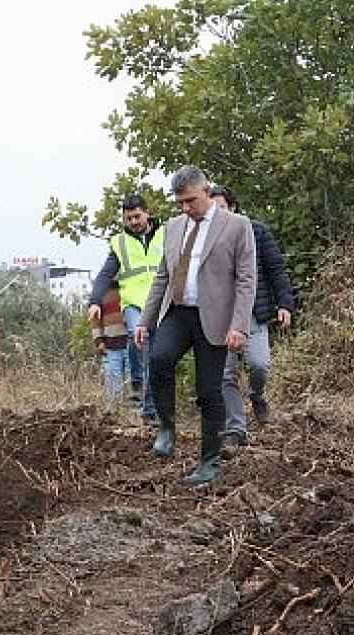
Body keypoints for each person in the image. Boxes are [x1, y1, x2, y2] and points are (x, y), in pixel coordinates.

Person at [136, 166, 256, 486]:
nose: (186, 208)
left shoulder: (236, 226)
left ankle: (209, 463)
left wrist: (239, 326)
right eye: (180, 203)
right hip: (179, 312)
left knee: (209, 390)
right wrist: (146, 321)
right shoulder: (174, 227)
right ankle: (167, 427)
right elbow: (162, 276)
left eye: (191, 200)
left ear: (206, 191)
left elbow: (246, 279)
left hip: (215, 318)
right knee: (159, 359)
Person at [221, 189, 296, 446]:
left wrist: (285, 303)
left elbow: (276, 268)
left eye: (222, 207)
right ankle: (236, 428)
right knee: (226, 374)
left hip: (254, 313)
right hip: (222, 316)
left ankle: (257, 395)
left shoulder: (257, 232)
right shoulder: (207, 239)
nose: (218, 214)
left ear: (234, 207)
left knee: (259, 365)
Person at [88, 194, 164, 425]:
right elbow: (104, 274)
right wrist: (94, 300)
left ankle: (150, 406)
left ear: (147, 213)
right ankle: (140, 385)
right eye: (128, 218)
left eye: (137, 216)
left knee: (158, 356)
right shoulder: (119, 243)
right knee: (139, 339)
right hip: (134, 304)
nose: (133, 222)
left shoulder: (167, 233)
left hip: (162, 301)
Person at [91, 280, 130, 408]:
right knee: (114, 384)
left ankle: (133, 414)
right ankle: (114, 413)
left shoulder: (129, 288)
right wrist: (99, 341)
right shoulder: (100, 293)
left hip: (131, 344)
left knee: (132, 382)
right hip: (111, 345)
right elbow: (95, 321)